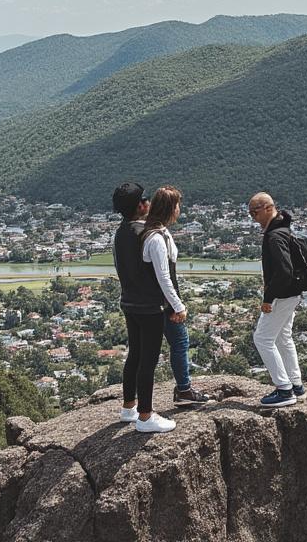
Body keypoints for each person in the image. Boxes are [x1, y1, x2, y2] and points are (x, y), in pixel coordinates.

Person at [111, 182, 174, 434]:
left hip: (129, 302)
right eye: (146, 199)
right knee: (148, 360)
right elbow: (162, 274)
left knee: (134, 355)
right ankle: (146, 416)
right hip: (149, 305)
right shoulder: (144, 234)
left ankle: (129, 407)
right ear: (140, 205)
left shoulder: (120, 232)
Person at [249, 192, 307, 408]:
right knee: (283, 337)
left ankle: (284, 390)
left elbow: (284, 271)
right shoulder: (283, 229)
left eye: (254, 212)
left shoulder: (274, 236)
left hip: (282, 295)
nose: (252, 217)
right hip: (292, 294)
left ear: (267, 207)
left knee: (262, 338)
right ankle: (296, 385)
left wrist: (268, 298)